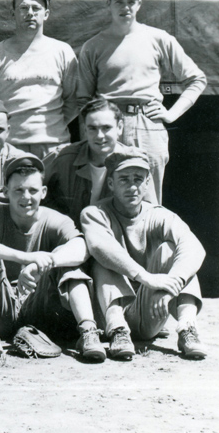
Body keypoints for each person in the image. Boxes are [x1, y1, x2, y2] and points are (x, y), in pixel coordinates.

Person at [0, 154, 105, 362]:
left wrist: (42, 264)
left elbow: (81, 248)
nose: (26, 197)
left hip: (41, 308)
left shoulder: (55, 219)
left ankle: (89, 332)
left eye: (33, 190)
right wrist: (24, 258)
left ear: (43, 192)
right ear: (5, 192)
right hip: (1, 307)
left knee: (70, 265)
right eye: (18, 190)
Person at [78, 0, 206, 203]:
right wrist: (88, 140)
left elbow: (197, 79)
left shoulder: (158, 39)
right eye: (119, 2)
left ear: (139, 4)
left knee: (148, 199)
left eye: (131, 2)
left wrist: (171, 114)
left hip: (147, 125)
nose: (125, 7)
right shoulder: (93, 46)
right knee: (105, 197)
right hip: (108, 127)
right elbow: (84, 101)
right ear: (108, 4)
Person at [81, 149, 206, 360]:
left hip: (151, 309)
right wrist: (147, 278)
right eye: (124, 179)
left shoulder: (159, 214)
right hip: (108, 313)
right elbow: (100, 247)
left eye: (138, 179)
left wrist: (169, 287)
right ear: (111, 183)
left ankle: (187, 327)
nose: (132, 187)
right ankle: (118, 331)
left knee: (175, 253)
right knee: (104, 260)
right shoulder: (95, 213)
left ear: (147, 184)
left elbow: (194, 246)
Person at [0, 0, 78, 159]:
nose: (30, 13)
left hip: (55, 147)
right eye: (23, 8)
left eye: (36, 8)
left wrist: (51, 125)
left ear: (46, 14)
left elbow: (73, 100)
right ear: (13, 13)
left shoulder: (63, 52)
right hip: (9, 148)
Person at [45, 99, 156, 226]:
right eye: (92, 128)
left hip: (116, 234)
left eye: (106, 128)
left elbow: (152, 214)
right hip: (70, 233)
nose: (99, 136)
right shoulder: (63, 157)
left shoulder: (135, 162)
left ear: (120, 128)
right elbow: (34, 187)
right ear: (85, 130)